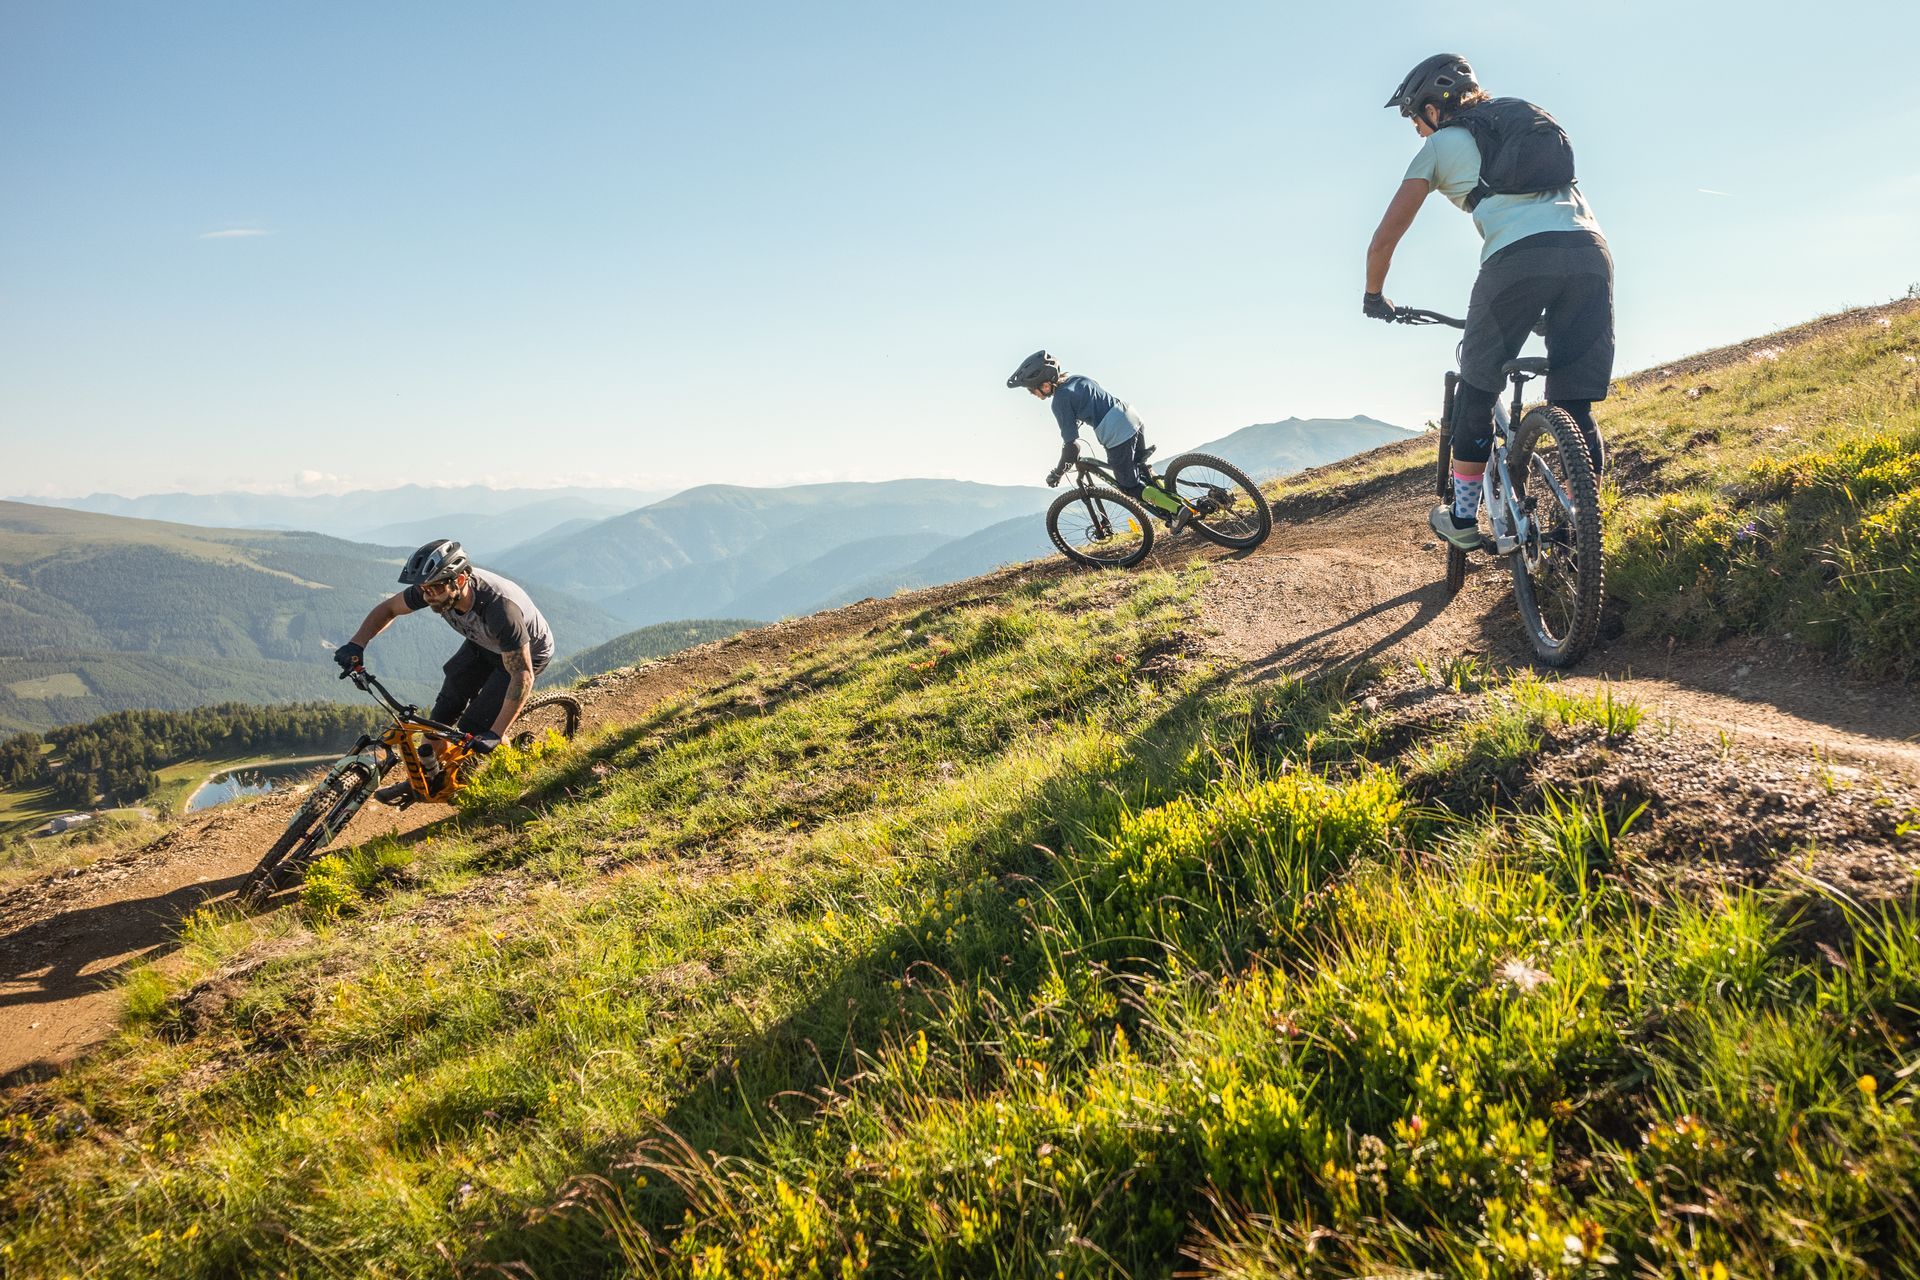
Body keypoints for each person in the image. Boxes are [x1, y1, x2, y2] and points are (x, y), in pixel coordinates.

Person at [1364, 53, 1613, 551]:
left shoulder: (1442, 145)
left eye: (1414, 117)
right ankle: (1581, 522)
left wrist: (1375, 295)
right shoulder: (1525, 120)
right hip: (1589, 254)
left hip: (1516, 263)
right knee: (1574, 402)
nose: (1416, 129)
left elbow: (1385, 239)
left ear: (1434, 108)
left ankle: (1460, 518)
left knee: (1477, 385)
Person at [332, 539, 555, 791]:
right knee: (443, 712)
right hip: (482, 643)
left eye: (435, 590)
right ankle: (428, 778)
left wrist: (495, 732)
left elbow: (522, 674)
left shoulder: (499, 610)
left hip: (525, 654)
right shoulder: (434, 587)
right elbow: (389, 609)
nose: (429, 597)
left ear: (459, 580)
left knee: (475, 729)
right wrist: (357, 644)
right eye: (424, 590)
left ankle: (516, 768)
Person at [1007, 351, 1184, 519]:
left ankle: (1178, 510)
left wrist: (1058, 472)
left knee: (1129, 485)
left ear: (1045, 385)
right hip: (1131, 415)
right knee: (1140, 467)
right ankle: (1175, 504)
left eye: (1031, 390)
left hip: (1116, 431)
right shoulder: (1078, 378)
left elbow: (1072, 447)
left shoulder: (1059, 401)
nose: (1032, 394)